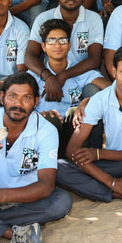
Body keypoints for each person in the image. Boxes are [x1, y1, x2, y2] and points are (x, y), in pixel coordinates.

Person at [0, 72, 73, 243]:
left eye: (26, 98)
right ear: (2, 98)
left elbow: (46, 185)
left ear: (36, 101)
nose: (18, 104)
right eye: (12, 96)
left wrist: (1, 195)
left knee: (61, 202)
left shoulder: (46, 130)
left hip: (24, 198)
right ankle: (10, 230)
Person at [56, 46, 122, 207]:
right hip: (113, 166)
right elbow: (72, 149)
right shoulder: (100, 100)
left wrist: (99, 153)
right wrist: (111, 182)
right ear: (114, 71)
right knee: (59, 168)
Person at [31, 19, 110, 156]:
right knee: (50, 119)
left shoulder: (80, 72)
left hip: (74, 133)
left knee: (80, 112)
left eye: (62, 40)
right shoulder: (33, 77)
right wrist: (36, 116)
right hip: (45, 135)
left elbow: (112, 89)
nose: (57, 45)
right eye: (51, 41)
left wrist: (88, 101)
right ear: (43, 47)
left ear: (69, 45)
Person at [26, 0, 104, 92]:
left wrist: (64, 76)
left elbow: (95, 60)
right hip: (50, 74)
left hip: (83, 76)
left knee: (93, 91)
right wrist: (49, 77)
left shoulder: (93, 19)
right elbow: (29, 56)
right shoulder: (43, 18)